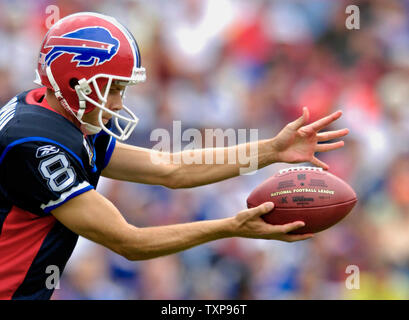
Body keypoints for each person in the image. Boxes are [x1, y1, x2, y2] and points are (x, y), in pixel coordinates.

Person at [0, 12, 348, 300]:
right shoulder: (36, 146)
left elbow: (170, 170)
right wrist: (231, 227)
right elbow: (128, 241)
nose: (119, 103)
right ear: (75, 81)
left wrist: (272, 150)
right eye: (114, 88)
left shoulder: (50, 107)